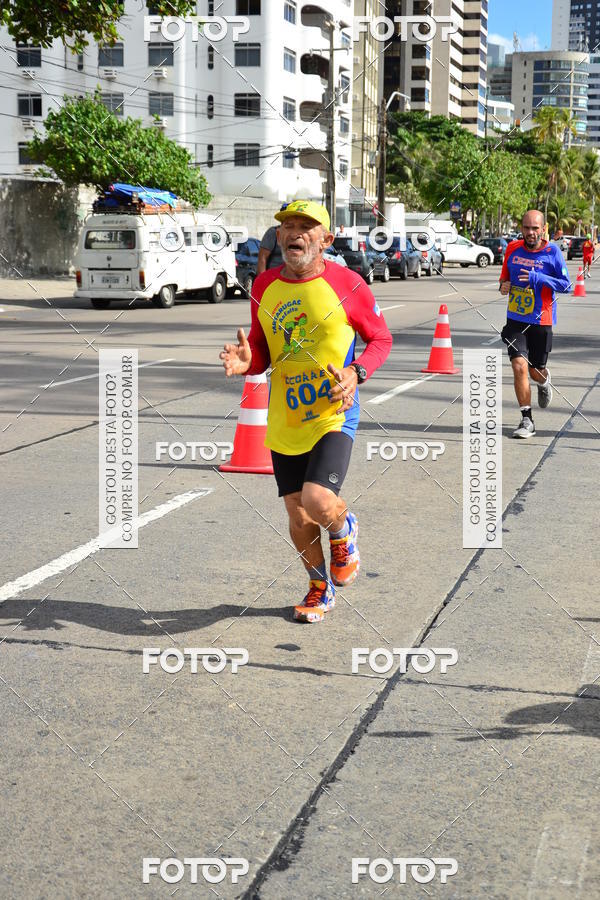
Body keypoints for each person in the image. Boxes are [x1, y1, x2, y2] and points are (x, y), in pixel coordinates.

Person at [220, 200, 392, 623]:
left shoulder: (348, 283)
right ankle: (319, 588)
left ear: (326, 240)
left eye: (306, 227)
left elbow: (381, 339)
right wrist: (249, 362)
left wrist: (356, 372)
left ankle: (343, 529)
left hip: (333, 412)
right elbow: (261, 349)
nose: (295, 232)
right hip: (286, 418)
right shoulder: (263, 287)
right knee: (298, 517)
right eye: (287, 226)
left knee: (318, 500)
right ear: (279, 238)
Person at [499, 210, 571, 439]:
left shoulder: (552, 252)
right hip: (516, 320)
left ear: (543, 229)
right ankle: (526, 419)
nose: (530, 233)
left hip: (541, 320)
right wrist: (503, 286)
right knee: (519, 365)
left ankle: (543, 381)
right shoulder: (512, 249)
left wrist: (538, 278)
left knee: (534, 370)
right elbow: (504, 279)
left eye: (534, 228)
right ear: (522, 228)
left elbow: (566, 285)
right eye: (526, 228)